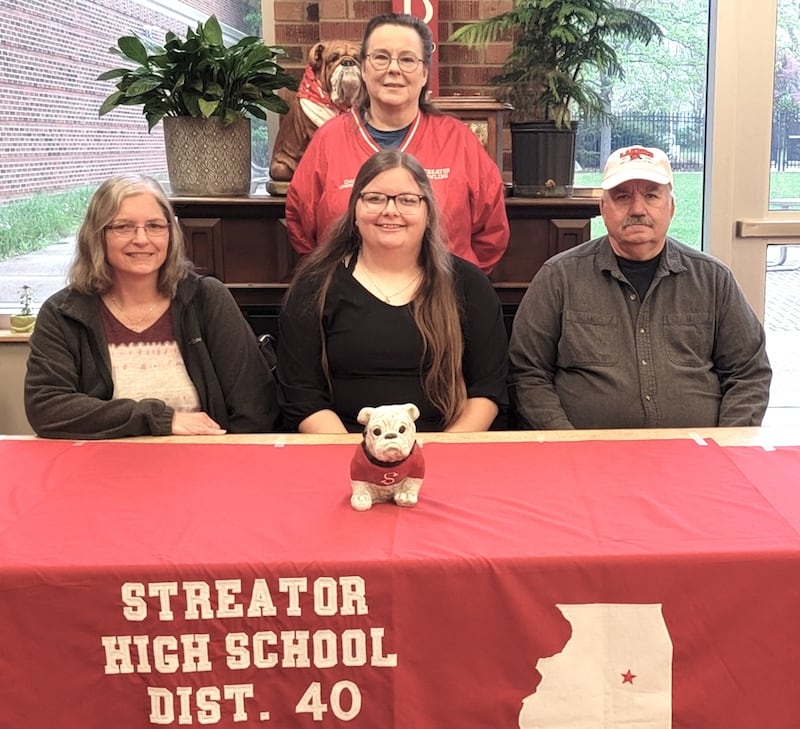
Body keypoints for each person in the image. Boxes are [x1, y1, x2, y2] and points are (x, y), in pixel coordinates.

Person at [509, 145, 772, 429]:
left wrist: (725, 447)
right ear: (603, 208)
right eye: (622, 196)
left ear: (670, 207)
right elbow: (527, 374)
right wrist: (567, 444)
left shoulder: (714, 279)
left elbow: (748, 373)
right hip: (588, 458)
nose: (637, 209)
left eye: (651, 195)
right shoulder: (558, 278)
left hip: (695, 458)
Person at [25, 174, 279, 439]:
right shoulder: (63, 314)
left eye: (155, 226)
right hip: (101, 468)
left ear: (171, 234)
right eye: (123, 227)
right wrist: (159, 419)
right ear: (97, 235)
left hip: (204, 467)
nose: (142, 239)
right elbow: (46, 407)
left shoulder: (206, 300)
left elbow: (256, 410)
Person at [277, 149, 508, 433]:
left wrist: (440, 454)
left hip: (445, 449)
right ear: (354, 210)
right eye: (374, 198)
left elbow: (487, 390)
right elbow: (303, 396)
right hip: (343, 450)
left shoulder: (469, 284)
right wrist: (359, 456)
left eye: (408, 200)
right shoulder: (314, 285)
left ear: (428, 212)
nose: (390, 210)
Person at [284, 12, 509, 275]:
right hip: (350, 305)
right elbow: (301, 225)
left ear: (425, 72)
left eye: (407, 59)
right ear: (364, 68)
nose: (393, 68)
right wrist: (337, 280)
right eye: (380, 57)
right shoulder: (328, 141)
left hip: (442, 304)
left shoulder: (460, 141)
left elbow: (491, 233)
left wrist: (456, 286)